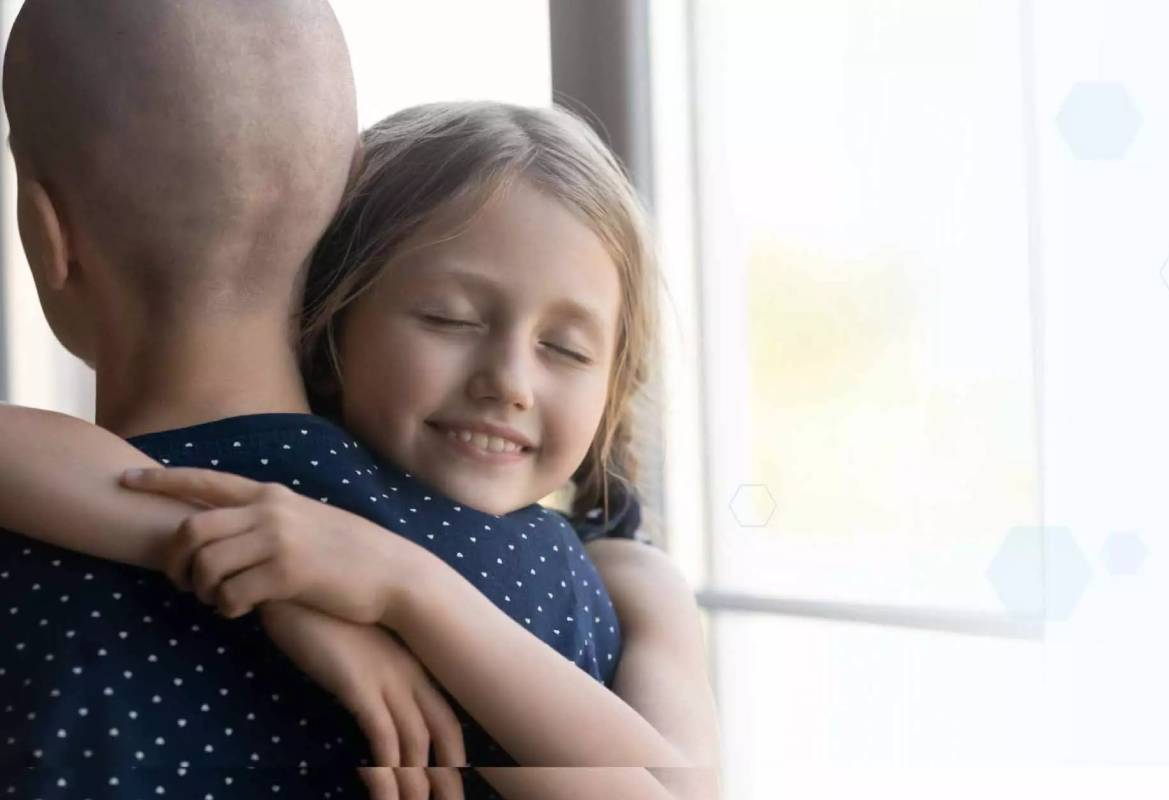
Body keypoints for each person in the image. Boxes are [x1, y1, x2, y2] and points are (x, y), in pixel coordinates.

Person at [0, 3, 718, 799]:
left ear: (46, 233)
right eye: (449, 318)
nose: (509, 383)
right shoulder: (550, 582)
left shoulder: (609, 579)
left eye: (567, 349)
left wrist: (402, 588)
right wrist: (266, 575)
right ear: (342, 290)